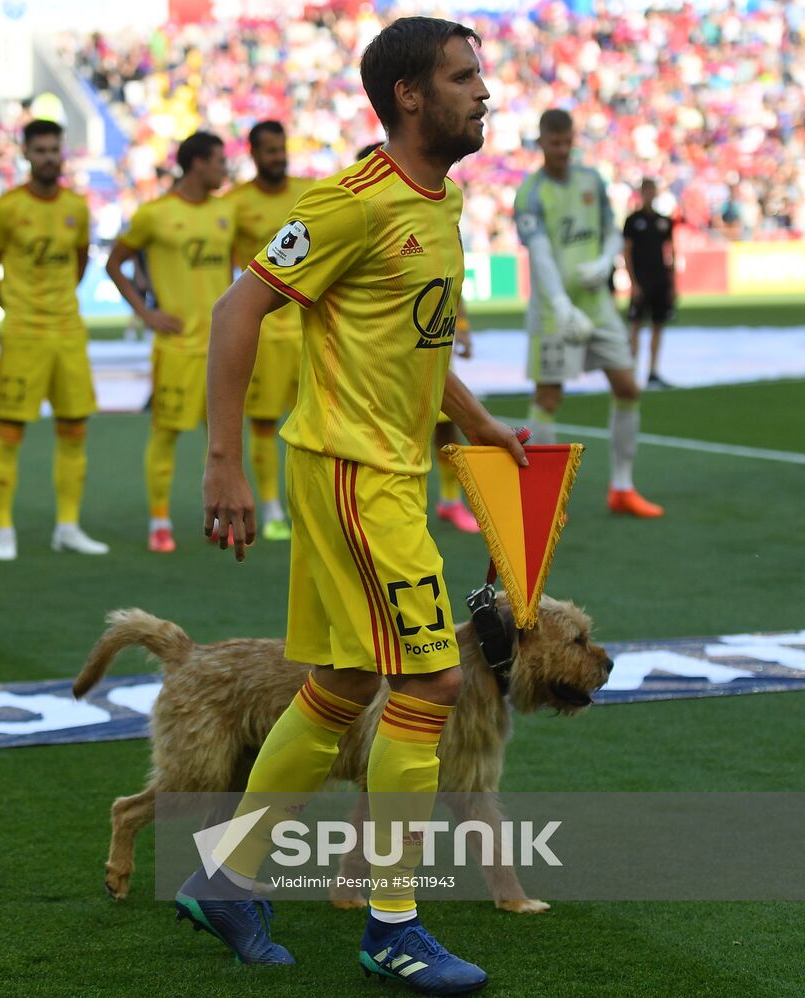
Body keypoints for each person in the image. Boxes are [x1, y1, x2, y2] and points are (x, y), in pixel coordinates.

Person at [188, 19, 522, 993]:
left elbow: (416, 342)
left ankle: (226, 872)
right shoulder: (348, 202)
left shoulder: (443, 198)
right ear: (408, 96)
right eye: (462, 77)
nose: (481, 91)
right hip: (348, 470)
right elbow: (236, 308)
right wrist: (221, 464)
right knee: (430, 686)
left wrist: (474, 419)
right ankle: (392, 926)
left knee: (338, 681)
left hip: (383, 467)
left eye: (478, 74)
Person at [516, 110, 663, 518]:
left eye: (567, 143)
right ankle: (544, 496)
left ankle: (621, 487)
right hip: (552, 312)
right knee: (548, 397)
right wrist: (562, 306)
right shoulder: (530, 192)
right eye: (555, 143)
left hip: (598, 306)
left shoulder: (591, 181)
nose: (562, 150)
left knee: (628, 388)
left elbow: (612, 230)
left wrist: (604, 261)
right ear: (542, 142)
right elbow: (540, 253)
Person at [0, 119, 109, 561]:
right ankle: (2, 531)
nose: (49, 157)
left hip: (68, 332)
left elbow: (80, 261)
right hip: (24, 335)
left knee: (74, 429)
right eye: (41, 150)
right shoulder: (6, 208)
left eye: (55, 149)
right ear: (27, 155)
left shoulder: (77, 207)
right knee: (9, 431)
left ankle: (68, 527)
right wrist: (14, 307)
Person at [106, 132, 234, 553]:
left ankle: (222, 517)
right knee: (165, 435)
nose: (223, 169)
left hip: (220, 349)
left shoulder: (226, 212)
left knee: (224, 439)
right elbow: (114, 263)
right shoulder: (155, 214)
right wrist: (146, 314)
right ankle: (159, 522)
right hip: (177, 348)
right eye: (218, 161)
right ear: (197, 164)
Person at [355, 141, 480, 534]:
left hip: (431, 345)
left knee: (443, 423)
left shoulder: (436, 212)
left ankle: (448, 501)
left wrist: (461, 325)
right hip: (379, 358)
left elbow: (449, 277)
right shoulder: (358, 217)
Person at [224, 121, 314, 541]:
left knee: (315, 422)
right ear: (254, 154)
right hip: (264, 332)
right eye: (270, 150)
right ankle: (273, 507)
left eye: (282, 148)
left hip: (310, 330)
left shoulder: (310, 192)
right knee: (262, 424)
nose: (278, 157)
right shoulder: (236, 204)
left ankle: (308, 504)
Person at [623, 178, 677, 389]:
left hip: (660, 280)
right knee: (635, 326)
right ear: (641, 193)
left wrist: (672, 282)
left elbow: (671, 251)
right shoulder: (633, 220)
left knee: (658, 324)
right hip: (642, 280)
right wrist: (633, 282)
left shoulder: (664, 221)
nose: (650, 194)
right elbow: (627, 251)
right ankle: (632, 372)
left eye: (652, 191)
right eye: (646, 191)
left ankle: (653, 372)